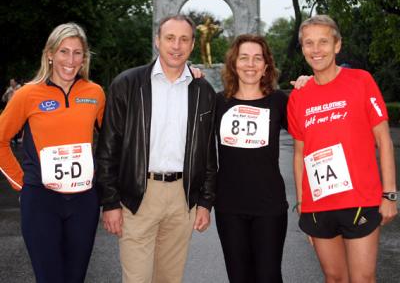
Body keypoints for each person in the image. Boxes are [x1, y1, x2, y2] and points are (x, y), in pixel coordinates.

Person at [95, 14, 217, 283]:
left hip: (182, 198)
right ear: (157, 41)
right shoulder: (127, 84)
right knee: (137, 278)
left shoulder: (203, 90)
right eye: (170, 38)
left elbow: (208, 152)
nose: (177, 45)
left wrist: (206, 202)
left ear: (193, 45)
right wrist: (110, 201)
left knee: (169, 279)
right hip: (138, 195)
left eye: (184, 39)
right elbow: (108, 147)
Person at [287, 15, 398, 283]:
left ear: (337, 45)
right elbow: (300, 153)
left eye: (323, 42)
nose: (316, 50)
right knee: (334, 278)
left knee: (362, 278)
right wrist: (302, 204)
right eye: (309, 43)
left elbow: (384, 139)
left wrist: (390, 195)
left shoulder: (361, 81)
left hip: (360, 199)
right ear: (302, 49)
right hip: (318, 205)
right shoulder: (298, 96)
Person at [0, 22, 105, 283]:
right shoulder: (27, 94)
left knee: (75, 278)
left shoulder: (95, 93)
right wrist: (22, 183)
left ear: (84, 57)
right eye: (63, 51)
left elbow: (114, 141)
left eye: (77, 52)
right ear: (49, 54)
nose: (70, 60)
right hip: (41, 202)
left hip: (84, 202)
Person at [215, 34, 288, 283]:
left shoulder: (279, 101)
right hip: (229, 206)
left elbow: (308, 133)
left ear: (266, 65)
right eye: (244, 58)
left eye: (257, 58)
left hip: (269, 206)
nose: (250, 64)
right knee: (239, 278)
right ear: (234, 64)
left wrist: (308, 85)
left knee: (268, 276)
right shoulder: (218, 102)